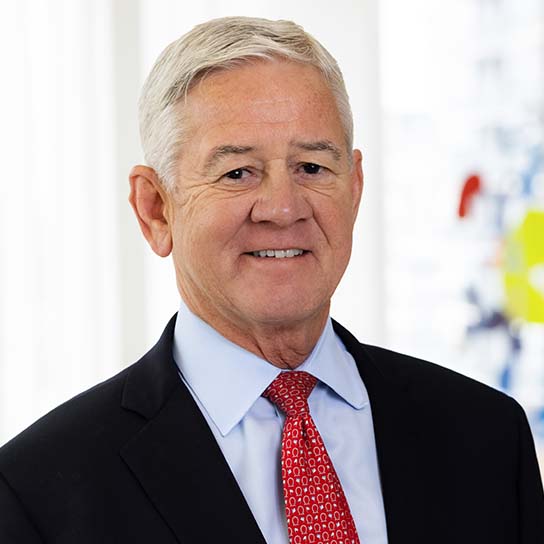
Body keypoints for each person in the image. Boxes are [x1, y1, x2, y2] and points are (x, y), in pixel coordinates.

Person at [0, 16, 543, 544]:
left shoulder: (488, 437)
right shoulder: (37, 492)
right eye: (237, 172)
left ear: (354, 188)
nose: (283, 209)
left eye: (312, 167)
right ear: (156, 210)